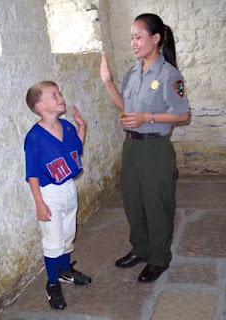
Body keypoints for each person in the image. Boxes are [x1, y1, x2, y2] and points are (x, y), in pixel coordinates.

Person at [100, 13, 189, 283]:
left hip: (155, 150)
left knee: (157, 205)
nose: (134, 42)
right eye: (131, 38)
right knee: (133, 202)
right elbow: (126, 109)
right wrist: (108, 82)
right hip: (131, 147)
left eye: (138, 37)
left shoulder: (169, 75)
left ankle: (159, 258)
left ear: (156, 38)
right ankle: (140, 249)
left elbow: (183, 115)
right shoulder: (132, 72)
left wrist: (147, 118)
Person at [24, 81, 91, 310]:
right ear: (40, 106)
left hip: (68, 188)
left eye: (59, 93)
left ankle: (64, 271)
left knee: (67, 234)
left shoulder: (68, 127)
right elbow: (32, 173)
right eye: (54, 95)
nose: (60, 97)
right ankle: (52, 284)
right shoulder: (34, 137)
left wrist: (81, 129)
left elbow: (75, 152)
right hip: (49, 193)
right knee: (53, 240)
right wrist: (39, 203)